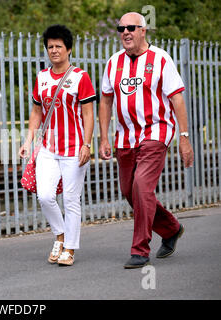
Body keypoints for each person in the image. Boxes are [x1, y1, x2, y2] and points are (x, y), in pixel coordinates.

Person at [98, 12, 194, 269]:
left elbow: (177, 99)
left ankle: (140, 249)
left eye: (131, 27)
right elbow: (106, 100)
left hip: (156, 133)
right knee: (130, 192)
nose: (125, 32)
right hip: (125, 137)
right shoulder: (113, 62)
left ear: (143, 30)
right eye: (121, 28)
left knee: (142, 186)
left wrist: (184, 138)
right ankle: (172, 228)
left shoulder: (160, 58)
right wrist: (104, 137)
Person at [19, 24, 96, 266]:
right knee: (44, 196)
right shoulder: (41, 77)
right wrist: (28, 140)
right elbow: (36, 111)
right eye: (50, 46)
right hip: (48, 149)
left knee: (72, 199)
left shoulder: (80, 77)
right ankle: (60, 235)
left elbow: (88, 114)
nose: (54, 50)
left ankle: (70, 248)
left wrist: (87, 144)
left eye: (58, 46)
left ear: (69, 49)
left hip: (74, 150)